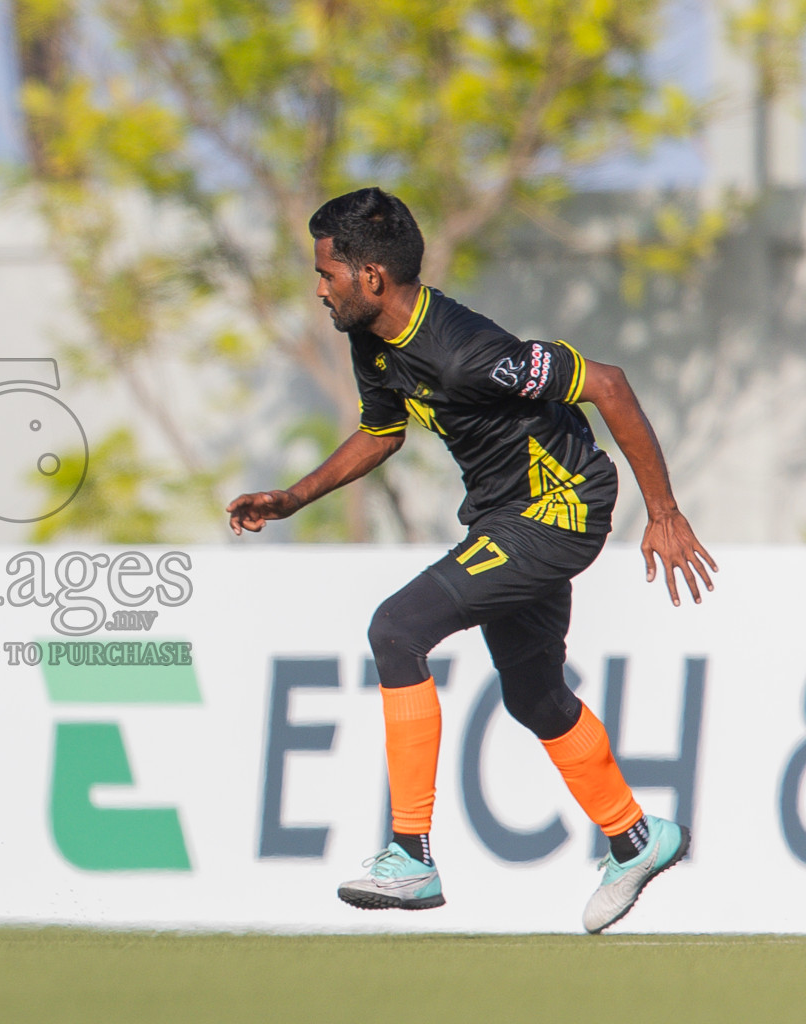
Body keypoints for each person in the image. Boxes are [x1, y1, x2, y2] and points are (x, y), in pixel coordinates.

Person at [226, 187, 716, 933]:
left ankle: (411, 857)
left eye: (327, 273)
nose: (318, 288)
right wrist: (296, 497)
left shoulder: (470, 356)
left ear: (372, 279)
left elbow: (608, 384)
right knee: (534, 696)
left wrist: (666, 513)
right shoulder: (372, 340)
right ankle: (635, 839)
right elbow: (382, 431)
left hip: (558, 511)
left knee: (397, 630)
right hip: (503, 514)